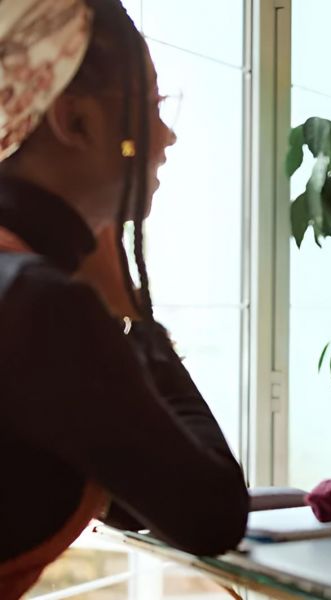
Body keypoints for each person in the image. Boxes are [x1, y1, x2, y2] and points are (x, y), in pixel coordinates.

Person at [0, 0, 248, 596]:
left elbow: (138, 494)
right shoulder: (39, 306)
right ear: (74, 120)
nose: (167, 135)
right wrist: (134, 317)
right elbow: (211, 512)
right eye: (152, 107)